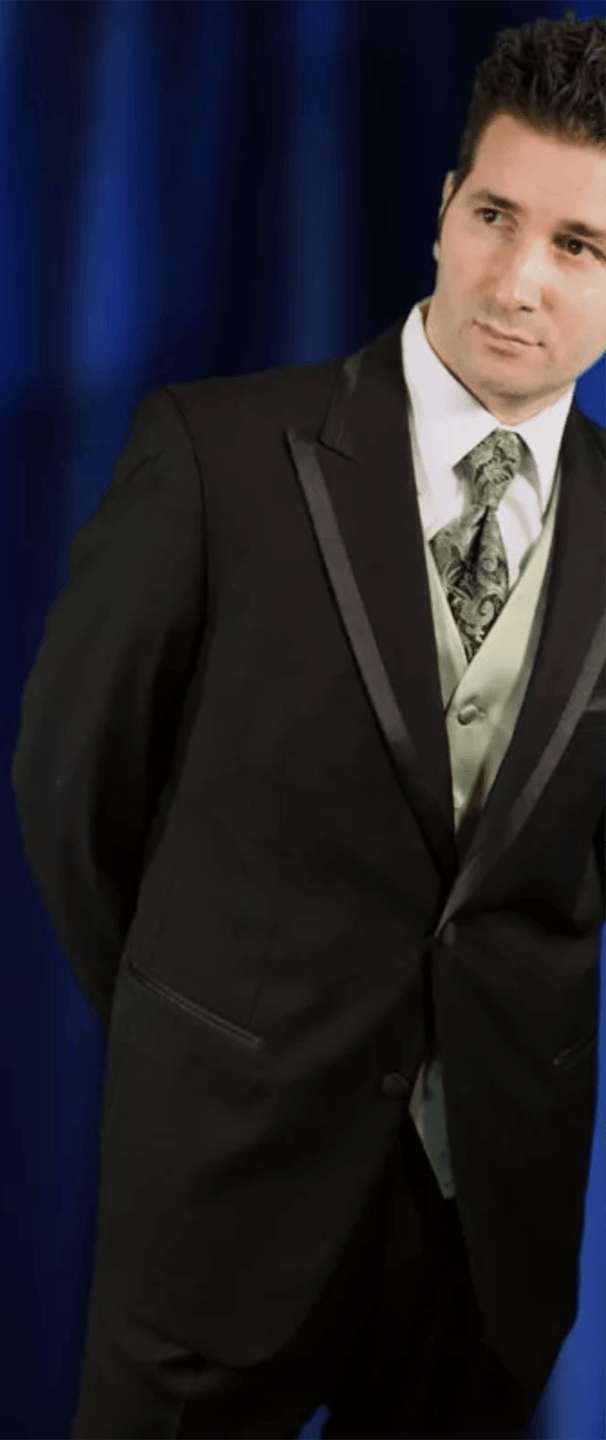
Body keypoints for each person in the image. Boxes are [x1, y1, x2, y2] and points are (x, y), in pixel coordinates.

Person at [11, 9, 606, 1440]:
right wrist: (201, 1037)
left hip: (484, 1242)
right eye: (492, 214)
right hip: (217, 1206)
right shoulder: (214, 458)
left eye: (579, 246)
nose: (516, 279)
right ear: (440, 214)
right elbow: (70, 793)